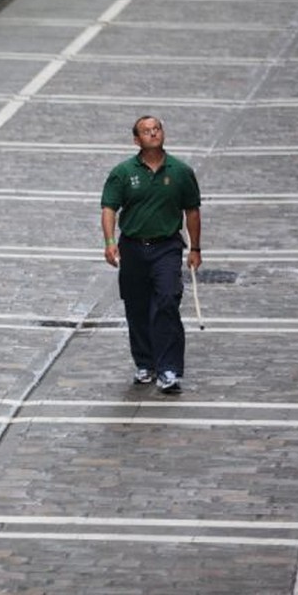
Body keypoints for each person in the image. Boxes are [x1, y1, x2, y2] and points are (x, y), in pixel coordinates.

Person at [101, 115, 202, 394]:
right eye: (146, 131)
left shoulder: (180, 172)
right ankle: (145, 362)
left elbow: (192, 210)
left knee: (167, 300)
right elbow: (109, 208)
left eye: (157, 129)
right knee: (137, 306)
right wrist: (110, 241)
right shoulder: (122, 173)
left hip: (167, 247)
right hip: (133, 247)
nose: (153, 133)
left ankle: (169, 368)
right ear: (137, 140)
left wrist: (195, 247)